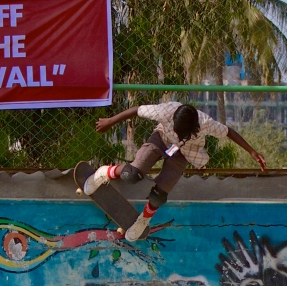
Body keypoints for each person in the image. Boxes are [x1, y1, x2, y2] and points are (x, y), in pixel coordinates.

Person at [85, 101, 267, 240]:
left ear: (195, 128)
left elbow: (229, 132)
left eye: (183, 133)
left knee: (159, 196)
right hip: (161, 139)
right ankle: (103, 172)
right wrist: (110, 121)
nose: (179, 135)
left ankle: (143, 220)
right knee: (131, 175)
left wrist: (252, 151)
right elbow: (137, 109)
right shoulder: (166, 111)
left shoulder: (206, 123)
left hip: (183, 153)